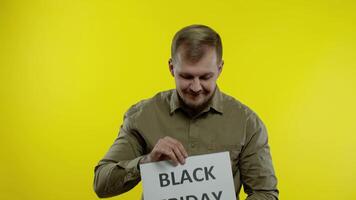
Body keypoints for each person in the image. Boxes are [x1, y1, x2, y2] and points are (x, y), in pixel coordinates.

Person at [93, 24, 279, 200]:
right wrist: (146, 162)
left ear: (220, 68)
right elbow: (101, 183)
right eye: (187, 76)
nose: (196, 87)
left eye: (205, 77)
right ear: (172, 68)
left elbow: (265, 193)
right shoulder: (142, 116)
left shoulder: (247, 123)